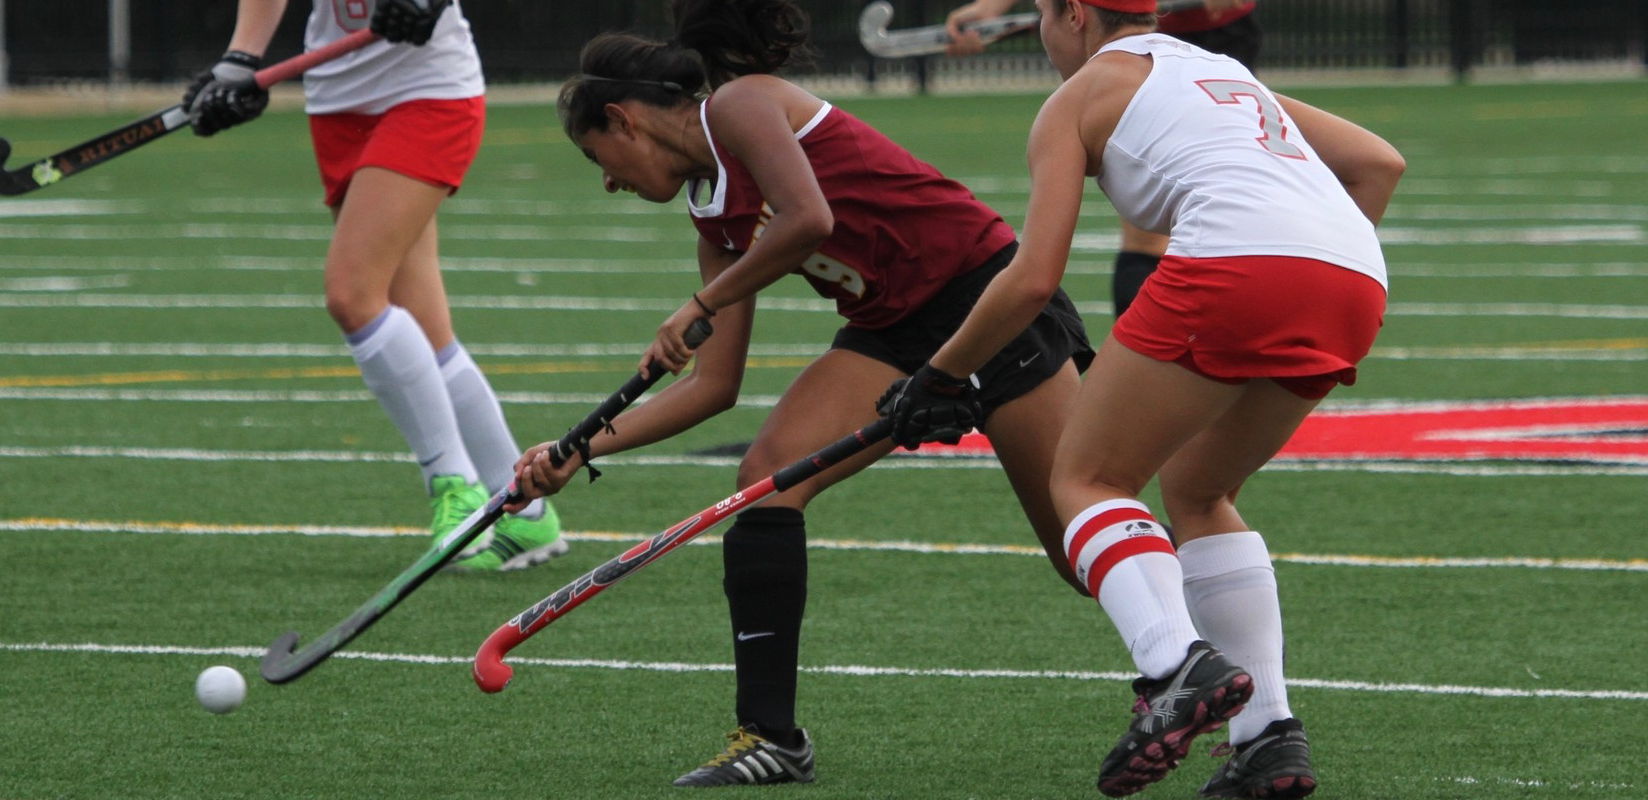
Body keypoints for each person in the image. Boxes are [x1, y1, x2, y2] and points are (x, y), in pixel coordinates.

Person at [506, 0, 1094, 786]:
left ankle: (1210, 671)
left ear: (624, 120)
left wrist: (700, 305)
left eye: (599, 158)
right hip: (891, 334)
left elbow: (807, 219)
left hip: (987, 303)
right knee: (766, 477)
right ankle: (772, 737)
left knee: (1081, 547)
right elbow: (713, 388)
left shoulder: (741, 105)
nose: (610, 182)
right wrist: (576, 450)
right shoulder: (711, 216)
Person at [883, 0, 1404, 797]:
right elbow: (1378, 163)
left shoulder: (1077, 98)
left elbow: (1030, 279)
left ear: (1074, 15)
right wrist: (1299, 268)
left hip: (1237, 261)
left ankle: (1173, 666)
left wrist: (939, 374)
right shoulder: (1225, 71)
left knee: (1085, 478)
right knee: (1199, 491)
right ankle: (1266, 735)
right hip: (1352, 277)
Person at [183, 0, 565, 570]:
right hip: (338, 94)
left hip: (427, 88)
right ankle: (528, 514)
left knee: (353, 294)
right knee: (427, 331)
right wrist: (241, 59)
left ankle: (454, 488)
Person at [944, 0, 1262, 318]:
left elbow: (1034, 279)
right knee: (1152, 238)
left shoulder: (1064, 112)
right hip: (1143, 32)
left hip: (1206, 32)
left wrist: (943, 369)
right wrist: (992, 7)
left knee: (1197, 227)